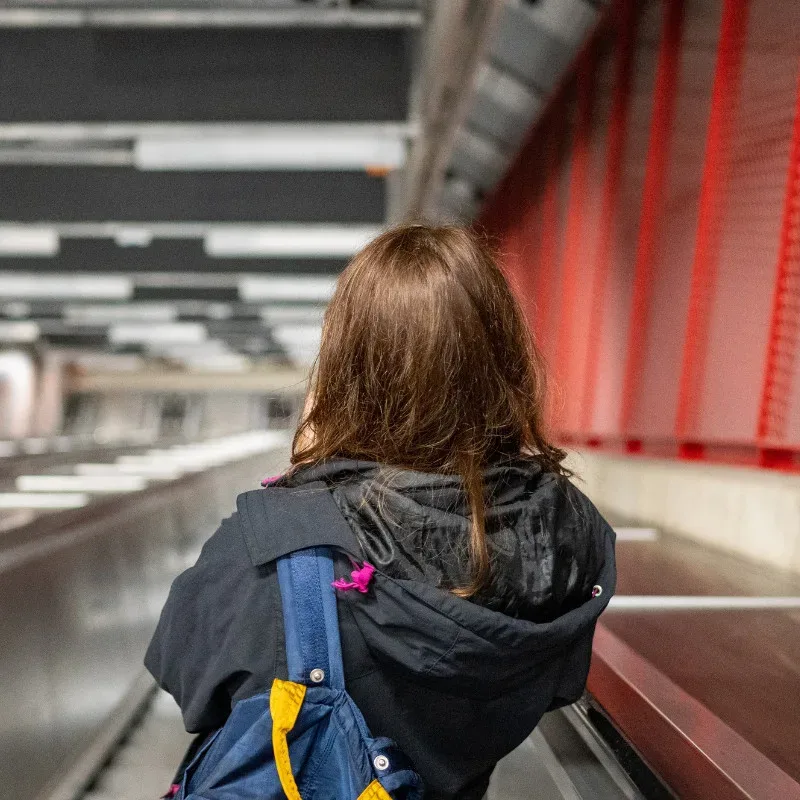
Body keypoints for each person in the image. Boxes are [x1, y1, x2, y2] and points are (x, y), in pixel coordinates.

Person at [145, 224, 616, 800]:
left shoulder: (280, 541)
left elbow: (186, 674)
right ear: (504, 363)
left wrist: (308, 470)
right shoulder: (568, 532)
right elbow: (559, 681)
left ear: (345, 368)